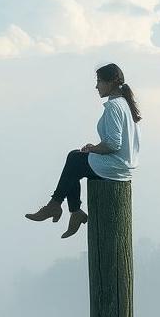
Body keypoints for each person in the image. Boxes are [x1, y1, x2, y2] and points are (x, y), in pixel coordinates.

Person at [25, 63, 142, 238]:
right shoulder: (125, 104)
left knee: (74, 160)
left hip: (115, 167)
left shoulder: (113, 106)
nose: (96, 86)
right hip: (124, 167)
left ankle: (57, 206)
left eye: (99, 81)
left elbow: (113, 144)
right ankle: (73, 211)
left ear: (110, 82)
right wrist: (93, 150)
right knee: (76, 159)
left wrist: (94, 149)